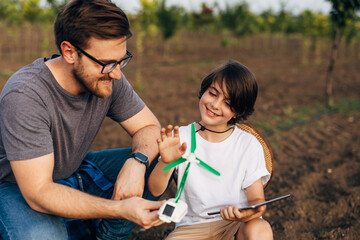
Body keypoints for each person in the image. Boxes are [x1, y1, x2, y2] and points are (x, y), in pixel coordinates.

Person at [0, 0, 165, 239]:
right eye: (107, 63)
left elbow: (149, 127)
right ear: (69, 52)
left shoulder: (109, 75)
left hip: (73, 172)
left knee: (162, 159)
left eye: (121, 60)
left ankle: (105, 234)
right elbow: (38, 191)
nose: (118, 73)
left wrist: (137, 162)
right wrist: (119, 208)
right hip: (16, 188)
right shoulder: (26, 95)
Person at [148, 60, 273, 239]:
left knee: (259, 229)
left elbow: (256, 201)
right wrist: (166, 162)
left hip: (236, 225)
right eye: (212, 93)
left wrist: (245, 214)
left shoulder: (248, 144)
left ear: (238, 112)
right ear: (204, 90)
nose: (215, 104)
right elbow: (155, 189)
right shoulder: (181, 138)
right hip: (192, 228)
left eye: (227, 102)